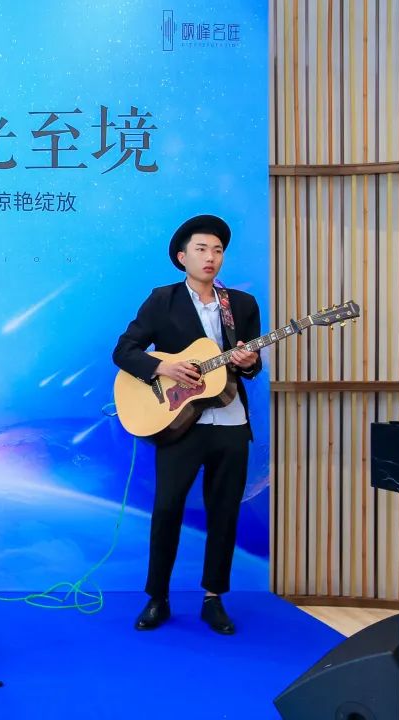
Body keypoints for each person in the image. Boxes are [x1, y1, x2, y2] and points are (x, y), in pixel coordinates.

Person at [112, 214, 261, 635]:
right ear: (182, 257)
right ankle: (157, 597)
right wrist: (164, 366)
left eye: (217, 250)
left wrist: (250, 361)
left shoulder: (242, 306)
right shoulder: (163, 300)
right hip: (180, 422)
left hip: (231, 421)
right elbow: (124, 351)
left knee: (225, 511)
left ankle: (214, 598)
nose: (210, 257)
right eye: (201, 249)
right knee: (167, 509)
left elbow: (250, 366)